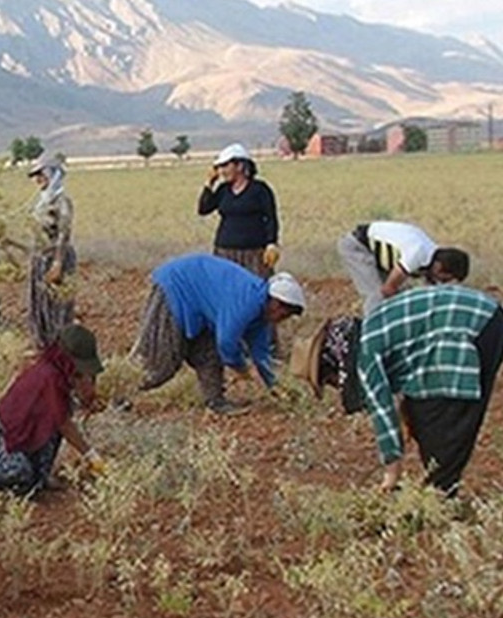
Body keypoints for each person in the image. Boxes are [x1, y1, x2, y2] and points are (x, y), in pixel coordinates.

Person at [290, 285, 503, 497]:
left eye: (329, 381)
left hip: (468, 327)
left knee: (441, 421)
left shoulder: (364, 355)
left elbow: (382, 410)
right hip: (481, 316)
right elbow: (408, 375)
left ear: (333, 364)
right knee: (424, 414)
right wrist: (406, 416)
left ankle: (440, 497)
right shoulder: (369, 330)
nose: (336, 386)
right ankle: (439, 490)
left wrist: (391, 475)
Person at [134, 254, 305, 414]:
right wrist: (240, 367)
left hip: (202, 303)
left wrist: (276, 386)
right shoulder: (246, 302)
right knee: (161, 361)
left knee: (209, 355)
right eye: (284, 314)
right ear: (275, 303)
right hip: (176, 286)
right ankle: (121, 392)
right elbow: (227, 341)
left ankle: (215, 401)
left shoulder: (262, 316)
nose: (282, 320)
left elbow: (261, 354)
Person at [0, 323, 106, 497]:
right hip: (3, 436)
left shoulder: (58, 373)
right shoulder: (48, 377)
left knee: (33, 485)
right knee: (19, 471)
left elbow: (64, 411)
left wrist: (88, 397)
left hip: (27, 435)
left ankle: (41, 477)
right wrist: (91, 455)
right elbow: (64, 424)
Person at [335, 220, 470, 315]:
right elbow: (388, 288)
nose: (442, 282)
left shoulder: (432, 255)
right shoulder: (417, 254)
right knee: (376, 296)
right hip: (358, 247)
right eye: (445, 279)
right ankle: (370, 339)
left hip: (379, 257)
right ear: (439, 267)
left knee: (398, 296)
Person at [199, 143, 279, 277]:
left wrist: (271, 243)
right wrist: (209, 183)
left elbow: (271, 218)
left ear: (240, 166)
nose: (222, 171)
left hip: (254, 252)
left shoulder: (260, 189)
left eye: (226, 166)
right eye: (220, 167)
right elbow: (203, 209)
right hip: (225, 251)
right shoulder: (223, 190)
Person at [26, 154, 77, 348]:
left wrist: (57, 264)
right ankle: (42, 344)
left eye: (41, 174)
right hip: (40, 258)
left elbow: (64, 235)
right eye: (35, 175)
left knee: (57, 304)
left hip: (57, 258)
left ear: (52, 174)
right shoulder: (42, 202)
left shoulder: (62, 202)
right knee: (39, 303)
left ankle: (59, 346)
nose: (37, 179)